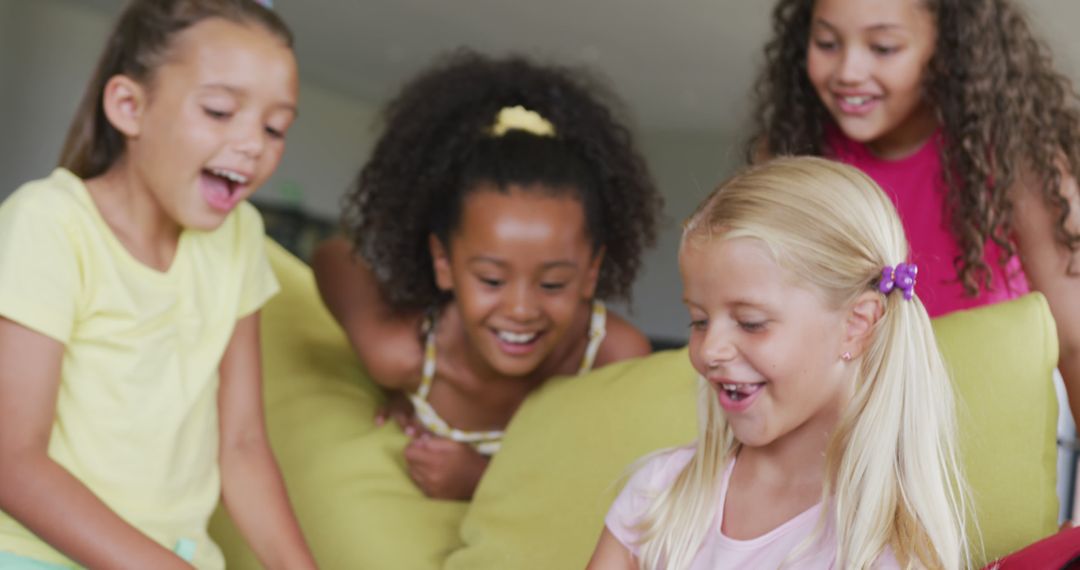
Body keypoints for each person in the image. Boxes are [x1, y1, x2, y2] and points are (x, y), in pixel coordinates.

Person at [0, 1, 316, 569]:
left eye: (275, 128)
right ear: (129, 106)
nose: (253, 144)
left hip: (182, 555)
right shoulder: (50, 222)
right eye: (220, 111)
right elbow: (11, 461)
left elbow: (242, 445)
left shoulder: (238, 237)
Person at [588, 157, 970, 569]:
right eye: (699, 320)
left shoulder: (885, 548)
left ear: (856, 325)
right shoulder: (659, 493)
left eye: (751, 324)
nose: (709, 349)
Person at [312, 50, 662, 500]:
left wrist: (483, 479)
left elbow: (601, 482)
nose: (521, 309)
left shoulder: (612, 355)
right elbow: (334, 253)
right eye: (492, 281)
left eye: (552, 283)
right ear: (444, 263)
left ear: (592, 271)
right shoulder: (405, 353)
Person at [747, 0, 1080, 431]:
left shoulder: (1019, 160)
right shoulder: (792, 151)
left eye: (883, 47)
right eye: (827, 42)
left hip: (978, 433)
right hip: (838, 439)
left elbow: (1075, 341)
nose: (848, 70)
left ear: (947, 52)